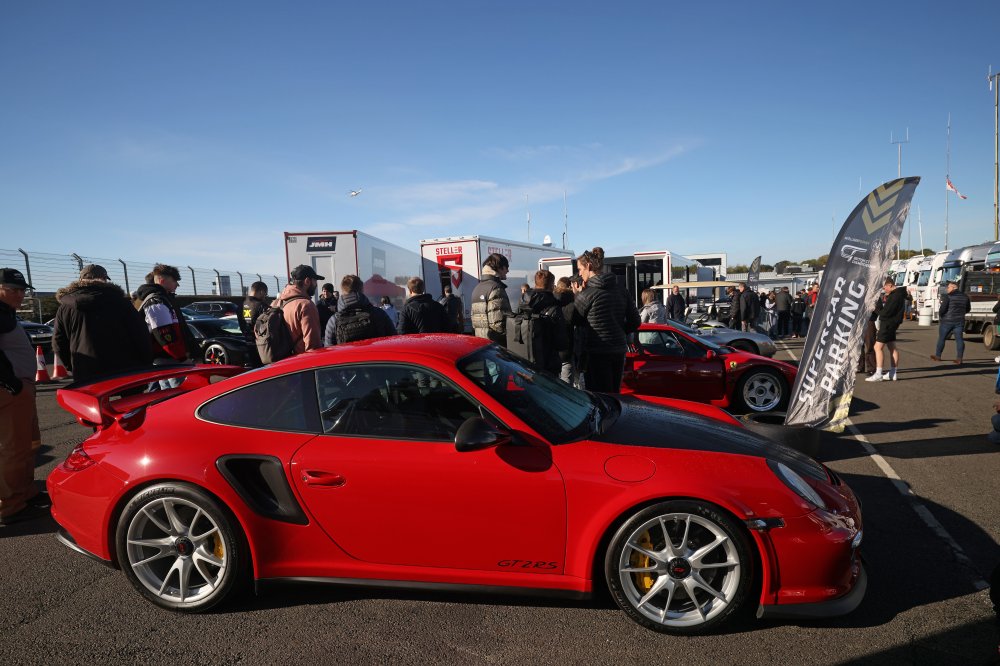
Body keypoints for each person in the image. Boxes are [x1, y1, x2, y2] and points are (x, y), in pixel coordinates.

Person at [0, 268, 47, 525]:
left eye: (22, 290)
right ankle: (10, 506)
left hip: (20, 390)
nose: (20, 294)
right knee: (13, 449)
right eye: (13, 289)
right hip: (11, 392)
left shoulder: (7, 313)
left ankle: (25, 492)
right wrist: (12, 384)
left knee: (28, 444)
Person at [52, 264, 151, 384]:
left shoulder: (65, 307)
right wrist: (145, 362)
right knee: (128, 397)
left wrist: (72, 365)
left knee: (92, 396)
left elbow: (59, 342)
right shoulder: (120, 302)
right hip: (124, 369)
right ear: (104, 279)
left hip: (85, 370)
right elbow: (140, 335)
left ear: (81, 280)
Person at [571, 247, 640, 393]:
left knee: (599, 396)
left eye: (580, 269)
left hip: (596, 351)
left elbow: (574, 319)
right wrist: (618, 329)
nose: (579, 273)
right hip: (618, 349)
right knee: (614, 392)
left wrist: (576, 295)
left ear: (588, 266)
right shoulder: (621, 290)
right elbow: (635, 321)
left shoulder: (587, 294)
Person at [135, 264, 192, 365]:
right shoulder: (156, 301)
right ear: (162, 281)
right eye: (174, 280)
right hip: (166, 358)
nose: (177, 284)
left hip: (170, 357)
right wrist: (182, 358)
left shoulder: (164, 299)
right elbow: (165, 334)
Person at [324, 274, 395, 345]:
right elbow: (394, 341)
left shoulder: (333, 321)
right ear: (362, 290)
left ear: (342, 292)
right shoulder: (379, 314)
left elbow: (329, 349)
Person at [522, 270, 570, 375]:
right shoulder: (554, 306)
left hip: (525, 358)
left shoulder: (524, 303)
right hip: (548, 361)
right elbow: (561, 342)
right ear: (551, 285)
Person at [272, 265, 324, 354]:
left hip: (281, 359)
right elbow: (313, 346)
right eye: (315, 281)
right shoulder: (306, 305)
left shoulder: (276, 303)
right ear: (307, 281)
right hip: (301, 359)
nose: (316, 285)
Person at [866, 277, 907, 382]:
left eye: (885, 287)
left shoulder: (895, 296)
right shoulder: (899, 294)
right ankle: (893, 373)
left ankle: (879, 373)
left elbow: (885, 313)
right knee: (892, 347)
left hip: (888, 324)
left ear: (890, 285)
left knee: (877, 347)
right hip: (892, 324)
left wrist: (875, 309)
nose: (884, 289)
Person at [470, 253, 513, 345]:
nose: (508, 271)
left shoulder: (477, 288)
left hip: (481, 343)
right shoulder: (496, 288)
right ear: (500, 268)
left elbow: (474, 322)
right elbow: (499, 324)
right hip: (495, 345)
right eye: (506, 267)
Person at [930, 280, 970, 364]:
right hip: (959, 321)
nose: (947, 289)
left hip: (947, 321)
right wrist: (961, 313)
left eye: (948, 287)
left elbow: (942, 309)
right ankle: (959, 358)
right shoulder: (965, 297)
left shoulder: (948, 296)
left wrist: (942, 316)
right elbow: (968, 309)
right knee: (959, 339)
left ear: (953, 287)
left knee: (942, 338)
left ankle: (938, 356)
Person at [554, 276, 578, 385]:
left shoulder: (551, 300)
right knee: (567, 384)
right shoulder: (572, 303)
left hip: (552, 349)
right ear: (570, 286)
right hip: (567, 349)